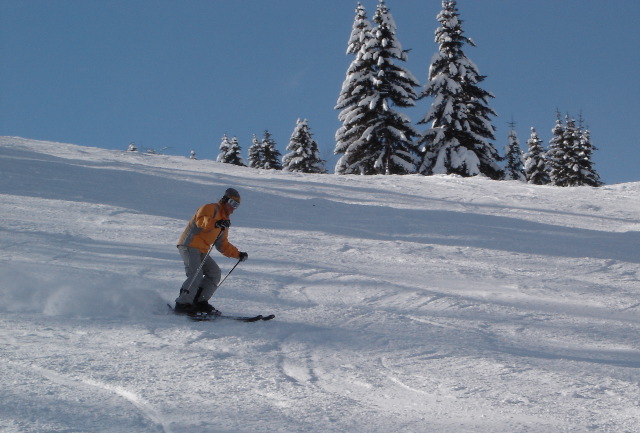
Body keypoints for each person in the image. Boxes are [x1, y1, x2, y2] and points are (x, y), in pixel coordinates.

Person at [174, 188, 248, 315]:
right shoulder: (210, 208)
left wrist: (238, 254)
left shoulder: (224, 221)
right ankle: (182, 303)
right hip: (189, 245)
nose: (234, 208)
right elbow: (201, 221)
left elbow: (222, 244)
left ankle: (199, 301)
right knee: (196, 274)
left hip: (201, 250)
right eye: (232, 203)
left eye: (237, 205)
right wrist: (216, 223)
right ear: (225, 200)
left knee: (214, 273)